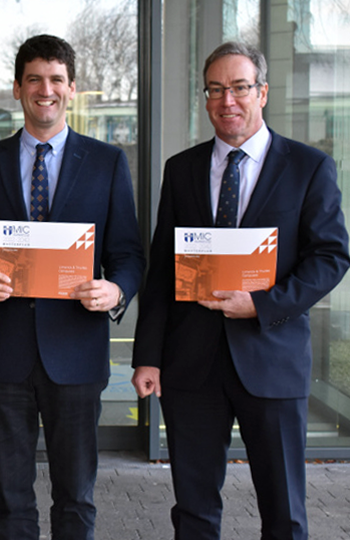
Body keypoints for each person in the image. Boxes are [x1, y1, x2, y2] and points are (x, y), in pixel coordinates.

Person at [131, 41, 350, 540]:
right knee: (194, 511)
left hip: (271, 361)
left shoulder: (308, 168)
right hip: (192, 365)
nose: (227, 100)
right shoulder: (181, 169)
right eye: (215, 89)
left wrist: (262, 304)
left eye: (239, 88)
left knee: (284, 512)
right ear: (205, 97)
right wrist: (148, 356)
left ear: (262, 92)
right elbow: (162, 271)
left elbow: (331, 257)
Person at [0, 34, 144, 540]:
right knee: (11, 500)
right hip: (2, 354)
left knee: (76, 497)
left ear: (72, 89)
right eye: (34, 79)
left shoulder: (107, 162)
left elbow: (128, 255)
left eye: (55, 80)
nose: (44, 90)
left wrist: (115, 291)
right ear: (17, 88)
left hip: (75, 353)